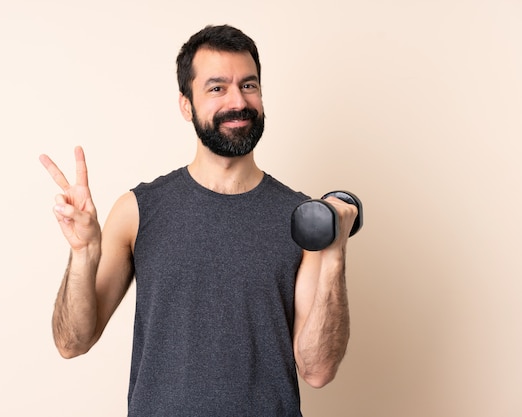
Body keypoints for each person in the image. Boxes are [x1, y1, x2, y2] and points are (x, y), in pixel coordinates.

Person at [40, 24, 356, 416]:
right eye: (217, 88)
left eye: (249, 85)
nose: (238, 101)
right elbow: (72, 342)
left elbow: (318, 370)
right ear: (186, 104)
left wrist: (335, 254)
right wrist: (85, 252)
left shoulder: (301, 220)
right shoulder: (138, 211)